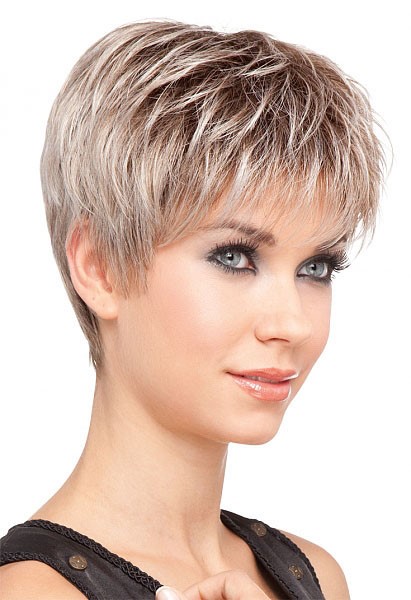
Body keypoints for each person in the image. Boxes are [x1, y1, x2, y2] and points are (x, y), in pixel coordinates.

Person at [0, 19, 384, 600]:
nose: (293, 324)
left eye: (316, 267)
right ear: (100, 266)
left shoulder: (317, 578)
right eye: (235, 257)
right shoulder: (31, 592)